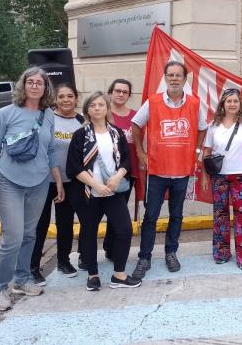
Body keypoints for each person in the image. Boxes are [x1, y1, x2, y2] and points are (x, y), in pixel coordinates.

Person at [0, 67, 64, 311]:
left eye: (40, 82)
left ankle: (21, 279)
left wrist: (57, 181)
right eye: (31, 81)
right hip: (9, 181)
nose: (35, 85)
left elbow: (50, 149)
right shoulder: (6, 113)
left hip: (40, 182)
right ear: (23, 85)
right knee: (13, 237)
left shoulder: (48, 115)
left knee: (30, 235)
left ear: (45, 88)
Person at [131, 61, 207, 279]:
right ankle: (144, 256)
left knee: (176, 215)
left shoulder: (194, 103)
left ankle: (171, 253)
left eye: (178, 75)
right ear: (165, 78)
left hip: (182, 171)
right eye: (170, 75)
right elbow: (136, 125)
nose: (174, 78)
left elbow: (202, 129)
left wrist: (197, 150)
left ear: (185, 79)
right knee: (151, 216)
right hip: (157, 171)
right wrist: (140, 152)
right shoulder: (153, 102)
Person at [66, 91, 140, 291]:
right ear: (87, 110)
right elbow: (73, 167)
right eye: (93, 105)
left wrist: (117, 177)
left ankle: (119, 275)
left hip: (113, 192)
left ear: (107, 108)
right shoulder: (80, 135)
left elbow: (126, 160)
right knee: (88, 233)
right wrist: (96, 185)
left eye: (101, 105)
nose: (97, 108)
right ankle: (93, 275)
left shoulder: (116, 133)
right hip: (89, 193)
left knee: (124, 230)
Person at [201, 68, 242, 270]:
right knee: (220, 215)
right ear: (223, 104)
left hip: (239, 175)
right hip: (218, 176)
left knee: (241, 215)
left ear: (239, 104)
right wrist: (204, 177)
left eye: (236, 101)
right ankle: (222, 253)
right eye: (229, 101)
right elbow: (206, 151)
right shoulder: (213, 126)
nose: (232, 104)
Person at [30, 83, 86, 286]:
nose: (66, 100)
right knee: (40, 225)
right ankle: (33, 267)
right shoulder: (46, 118)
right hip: (44, 180)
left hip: (70, 182)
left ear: (76, 99)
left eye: (70, 96)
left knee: (65, 223)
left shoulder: (81, 121)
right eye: (61, 96)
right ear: (56, 99)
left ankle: (63, 261)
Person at [103, 79, 139, 262]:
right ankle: (87, 254)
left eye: (125, 92)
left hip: (126, 173)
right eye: (117, 90)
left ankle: (110, 247)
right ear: (110, 92)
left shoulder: (135, 116)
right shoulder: (103, 113)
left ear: (129, 95)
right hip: (103, 172)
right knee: (99, 213)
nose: (121, 94)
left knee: (118, 212)